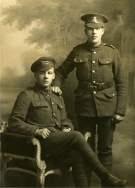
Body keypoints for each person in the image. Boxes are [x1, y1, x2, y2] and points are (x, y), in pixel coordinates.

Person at [8, 57, 127, 187]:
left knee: (77, 156)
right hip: (40, 144)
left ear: (54, 76)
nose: (46, 77)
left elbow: (65, 119)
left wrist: (67, 128)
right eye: (42, 73)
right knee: (77, 136)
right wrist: (36, 130)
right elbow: (14, 122)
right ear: (36, 75)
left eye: (49, 73)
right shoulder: (27, 95)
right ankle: (106, 177)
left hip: (57, 141)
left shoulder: (56, 95)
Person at [51, 13, 127, 186]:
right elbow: (62, 71)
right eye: (90, 29)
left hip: (108, 106)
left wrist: (120, 110)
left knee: (105, 149)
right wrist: (56, 83)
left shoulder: (112, 52)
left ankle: (106, 185)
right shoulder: (77, 51)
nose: (94, 32)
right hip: (84, 107)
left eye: (98, 29)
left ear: (103, 31)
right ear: (85, 31)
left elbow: (122, 82)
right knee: (86, 149)